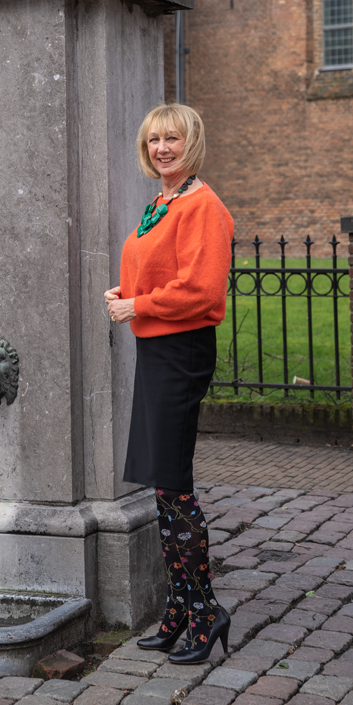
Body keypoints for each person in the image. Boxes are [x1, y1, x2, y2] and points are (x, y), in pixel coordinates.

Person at [104, 103, 234, 665]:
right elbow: (157, 271)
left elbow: (202, 291)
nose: (161, 148)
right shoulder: (161, 203)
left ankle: (205, 612)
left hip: (182, 352)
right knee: (162, 485)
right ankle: (179, 609)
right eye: (154, 139)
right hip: (156, 348)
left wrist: (139, 305)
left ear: (191, 143)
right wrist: (125, 292)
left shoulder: (203, 206)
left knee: (175, 485)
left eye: (172, 138)